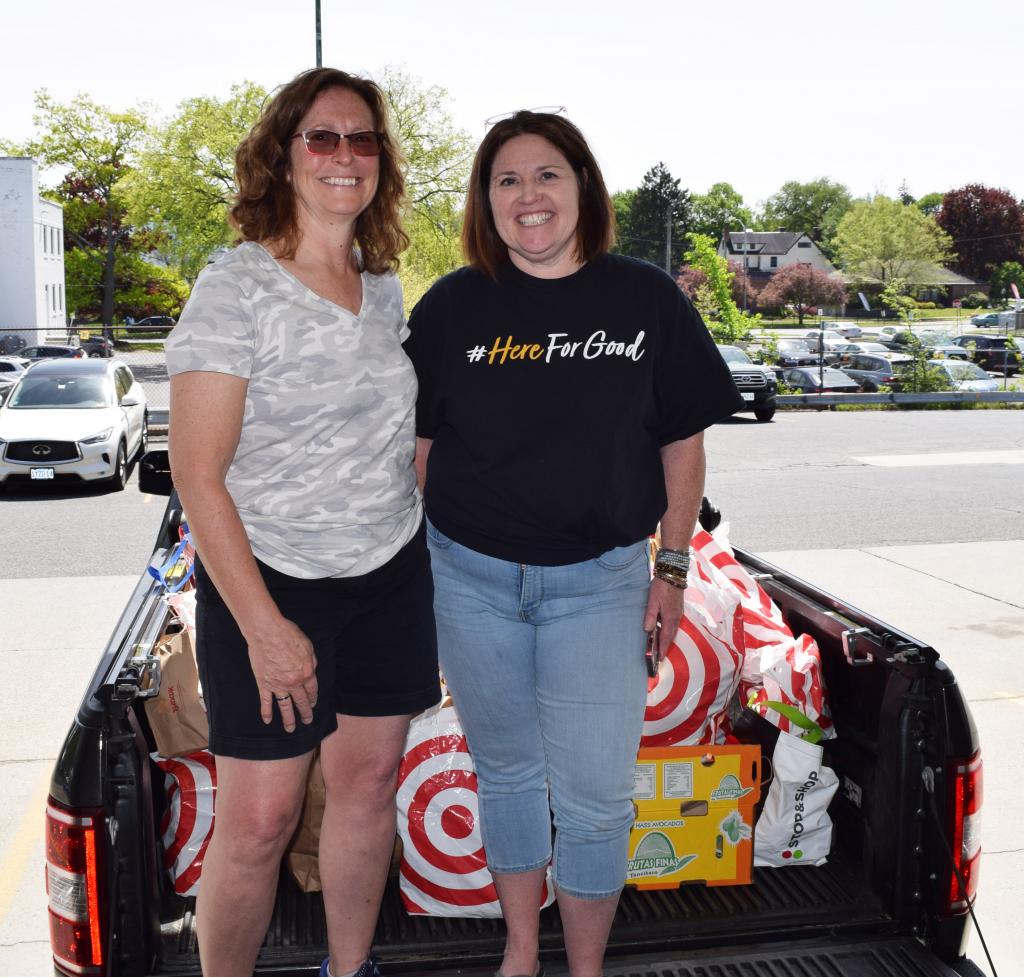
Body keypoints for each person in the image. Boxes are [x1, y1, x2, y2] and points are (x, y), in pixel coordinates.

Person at [403, 111, 743, 977]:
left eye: (547, 174)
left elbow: (683, 447)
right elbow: (419, 452)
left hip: (600, 585)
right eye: (507, 180)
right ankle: (521, 951)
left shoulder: (646, 300)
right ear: (487, 200)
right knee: (508, 777)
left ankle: (585, 968)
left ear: (583, 186)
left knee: (595, 799)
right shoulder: (452, 306)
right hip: (471, 582)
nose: (529, 196)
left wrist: (672, 567)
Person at [165, 67, 440, 977]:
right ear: (281, 157)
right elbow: (197, 478)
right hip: (269, 582)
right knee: (260, 821)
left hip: (389, 574)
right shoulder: (236, 287)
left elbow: (406, 441)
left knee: (366, 791)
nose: (344, 156)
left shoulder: (384, 286)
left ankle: (347, 969)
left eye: (363, 139)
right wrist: (265, 629)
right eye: (322, 138)